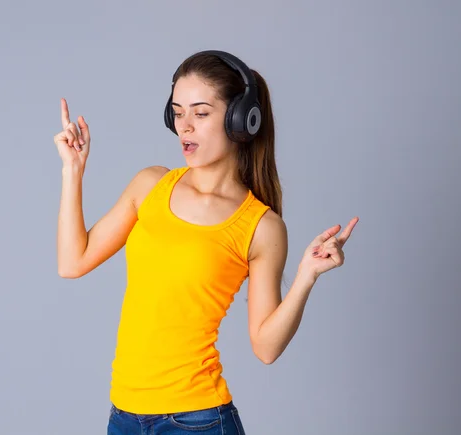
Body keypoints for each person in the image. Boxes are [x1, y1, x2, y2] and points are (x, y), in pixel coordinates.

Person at [54, 50, 359, 435]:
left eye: (200, 113)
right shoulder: (150, 185)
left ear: (239, 121)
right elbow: (72, 262)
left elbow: (265, 348)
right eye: (178, 113)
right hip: (124, 417)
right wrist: (73, 170)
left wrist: (306, 276)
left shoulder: (260, 226)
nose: (185, 127)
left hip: (197, 422)